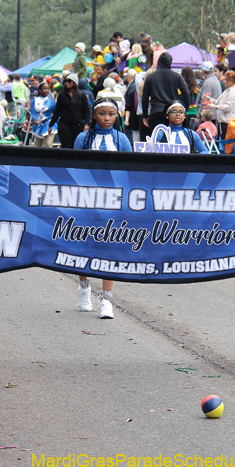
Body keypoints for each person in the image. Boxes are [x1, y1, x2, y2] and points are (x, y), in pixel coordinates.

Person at [73, 98, 132, 319]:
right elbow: (74, 170)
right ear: (94, 115)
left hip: (113, 202)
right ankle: (84, 288)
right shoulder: (82, 138)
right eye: (102, 114)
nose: (107, 119)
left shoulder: (122, 139)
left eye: (111, 114)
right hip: (87, 200)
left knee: (110, 249)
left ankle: (106, 301)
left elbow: (130, 171)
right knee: (84, 247)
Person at [141, 52, 190, 130]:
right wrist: (184, 110)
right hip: (172, 111)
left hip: (156, 111)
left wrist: (145, 115)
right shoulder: (176, 76)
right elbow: (186, 93)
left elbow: (145, 98)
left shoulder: (150, 77)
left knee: (157, 138)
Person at [48, 75, 90, 149]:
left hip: (78, 124)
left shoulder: (81, 95)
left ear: (75, 82)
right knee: (66, 146)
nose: (67, 83)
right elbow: (57, 111)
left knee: (77, 145)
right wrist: (51, 125)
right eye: (65, 81)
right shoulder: (61, 95)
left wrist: (87, 124)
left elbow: (86, 111)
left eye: (69, 81)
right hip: (64, 124)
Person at [206, 70, 235, 138]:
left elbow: (228, 107)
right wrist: (210, 99)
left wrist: (215, 107)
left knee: (226, 142)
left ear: (229, 81)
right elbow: (219, 102)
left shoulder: (232, 92)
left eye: (225, 80)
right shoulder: (227, 90)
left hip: (227, 122)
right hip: (223, 121)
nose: (224, 81)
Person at [30, 82, 56, 148]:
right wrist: (35, 120)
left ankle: (51, 158)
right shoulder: (34, 101)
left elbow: (56, 114)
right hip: (38, 125)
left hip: (49, 124)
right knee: (38, 147)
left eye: (47, 89)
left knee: (48, 145)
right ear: (40, 90)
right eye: (44, 89)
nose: (46, 91)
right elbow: (33, 113)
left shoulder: (51, 102)